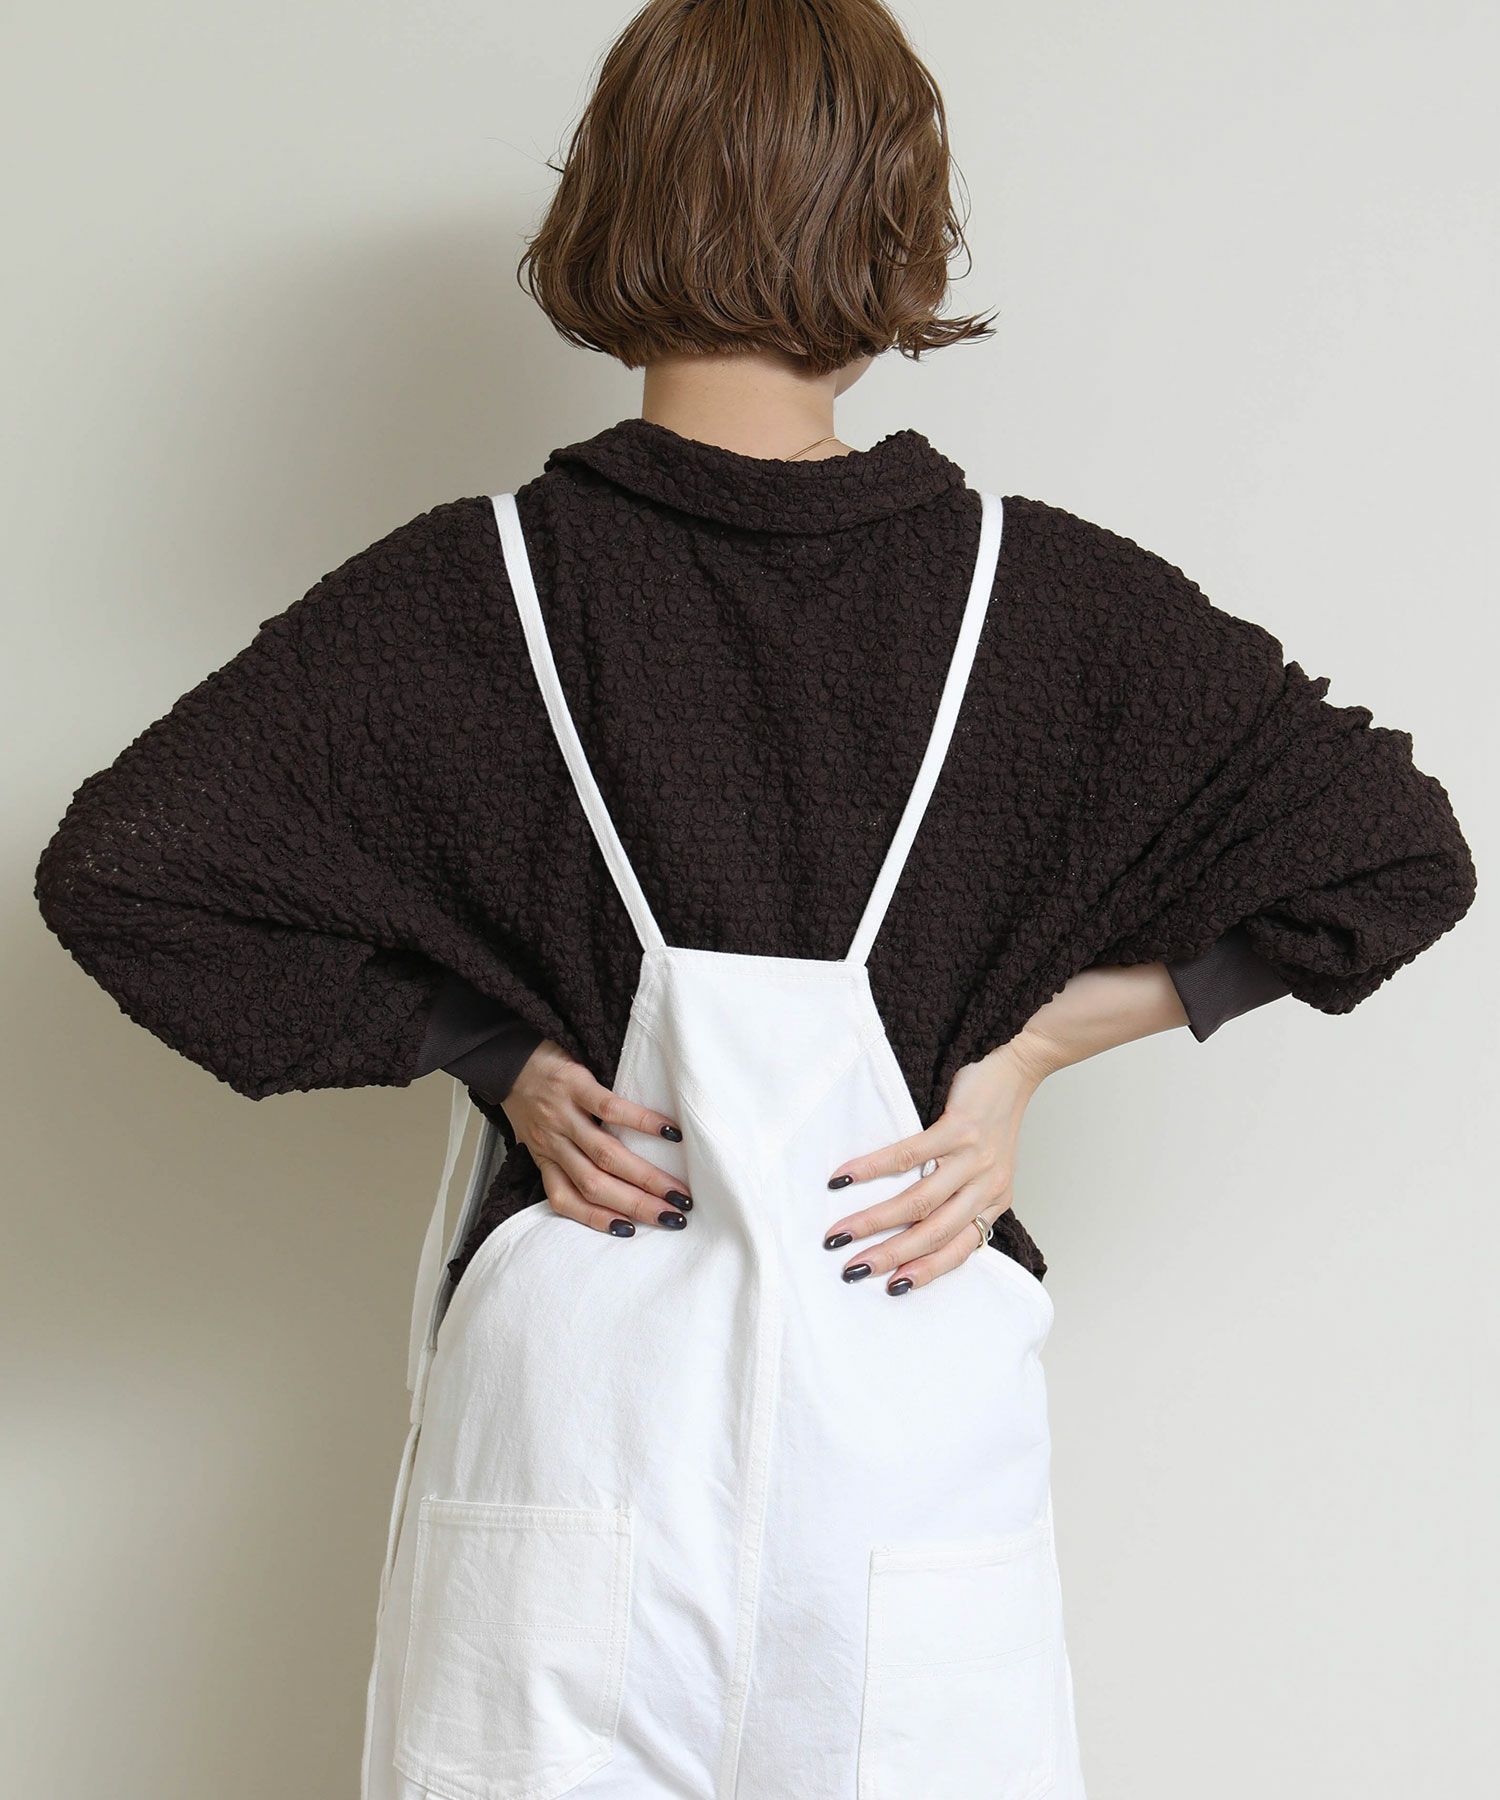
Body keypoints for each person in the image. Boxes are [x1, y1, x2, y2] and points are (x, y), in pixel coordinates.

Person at [33, 2, 1476, 1795]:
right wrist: (1021, 1060)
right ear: (899, 229)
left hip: (576, 1422)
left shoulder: (471, 591)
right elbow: (1394, 857)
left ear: (610, 207)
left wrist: (487, 1050)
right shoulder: (1049, 606)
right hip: (904, 1429)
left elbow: (127, 871)